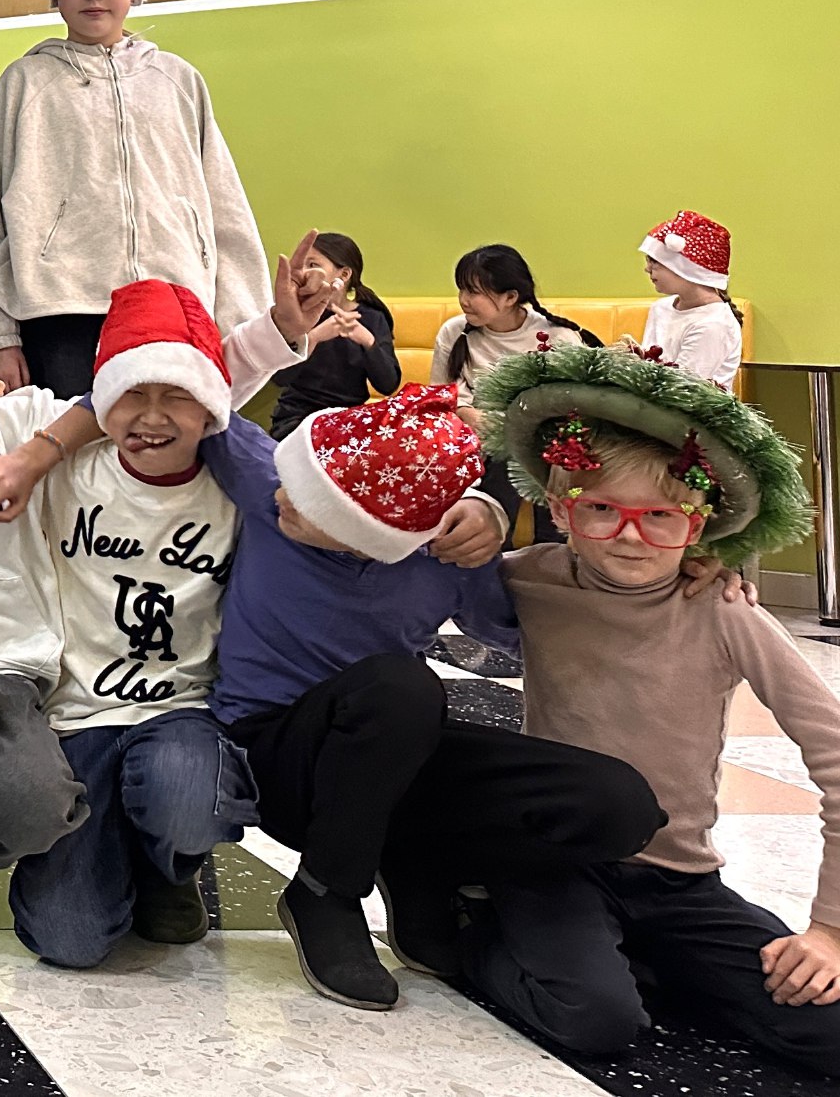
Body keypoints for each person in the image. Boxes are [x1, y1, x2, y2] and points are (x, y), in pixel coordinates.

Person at [0, 248, 328, 968]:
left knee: (45, 826)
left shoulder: (21, 420)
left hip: (26, 666)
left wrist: (275, 335)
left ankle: (138, 864)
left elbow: (167, 382)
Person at [219, 385, 662, 1010]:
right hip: (273, 751)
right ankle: (325, 892)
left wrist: (684, 574)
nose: (285, 497)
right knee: (400, 688)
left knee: (616, 802)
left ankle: (421, 867)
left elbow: (530, 625)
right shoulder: (267, 490)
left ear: (373, 534)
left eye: (315, 502)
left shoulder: (442, 554)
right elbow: (184, 395)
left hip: (389, 751)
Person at [467, 343, 840, 1074]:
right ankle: (472, 931)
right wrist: (477, 509)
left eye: (662, 517)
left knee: (827, 1031)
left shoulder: (723, 609)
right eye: (602, 510)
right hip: (558, 862)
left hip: (679, 880)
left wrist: (828, 930)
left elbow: (834, 753)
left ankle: (647, 962)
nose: (632, 536)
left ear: (698, 526)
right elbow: (421, 568)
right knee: (595, 1017)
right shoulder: (530, 580)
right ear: (561, 510)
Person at [0, 0, 269, 397]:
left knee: (165, 441)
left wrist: (241, 323)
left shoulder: (178, 80)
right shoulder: (24, 82)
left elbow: (225, 209)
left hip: (173, 302)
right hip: (60, 312)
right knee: (68, 442)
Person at [430, 243, 596, 523]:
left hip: (542, 437)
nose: (464, 300)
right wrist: (465, 411)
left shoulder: (557, 336)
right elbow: (441, 393)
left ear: (510, 297)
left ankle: (547, 540)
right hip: (475, 437)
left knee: (530, 457)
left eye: (473, 292)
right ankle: (490, 538)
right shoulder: (454, 332)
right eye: (461, 290)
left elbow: (576, 401)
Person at [267, 231, 400, 438]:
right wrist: (313, 338)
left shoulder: (373, 317)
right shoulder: (296, 313)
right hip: (297, 418)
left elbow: (388, 385)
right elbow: (279, 378)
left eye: (313, 264)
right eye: (303, 265)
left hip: (350, 420)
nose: (304, 272)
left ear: (344, 275)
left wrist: (367, 341)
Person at [637, 209, 742, 389]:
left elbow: (680, 390)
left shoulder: (713, 324)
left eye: (655, 262)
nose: (647, 269)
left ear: (687, 269)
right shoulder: (661, 308)